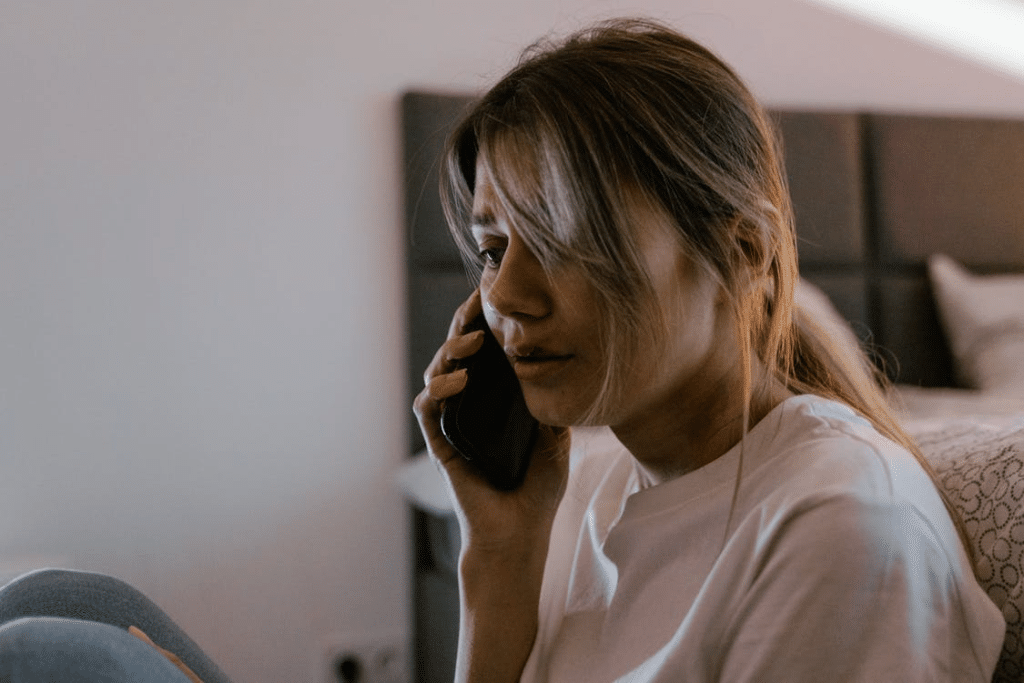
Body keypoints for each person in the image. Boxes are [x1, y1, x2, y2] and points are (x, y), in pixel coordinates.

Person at [412, 17, 1006, 683]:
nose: (509, 295)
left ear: (743, 251)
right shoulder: (573, 498)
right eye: (493, 251)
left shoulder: (841, 521)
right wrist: (497, 555)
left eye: (561, 234)